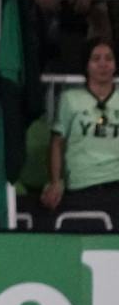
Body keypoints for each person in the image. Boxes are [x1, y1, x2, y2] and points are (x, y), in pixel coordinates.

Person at [43, 41, 119, 209]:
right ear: (86, 65)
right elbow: (56, 143)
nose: (103, 64)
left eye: (108, 59)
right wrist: (55, 182)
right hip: (82, 184)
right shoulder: (70, 99)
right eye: (96, 59)